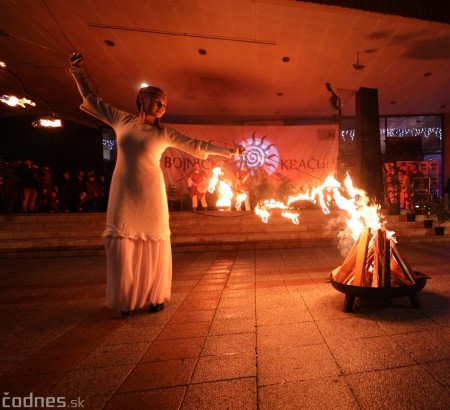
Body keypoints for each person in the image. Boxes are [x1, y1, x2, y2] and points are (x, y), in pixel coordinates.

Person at [69, 52, 244, 316]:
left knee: (153, 244)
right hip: (124, 190)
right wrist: (77, 71)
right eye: (157, 100)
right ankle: (125, 299)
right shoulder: (122, 120)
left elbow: (198, 146)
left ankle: (154, 295)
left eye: (164, 103)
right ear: (142, 100)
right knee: (121, 243)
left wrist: (230, 152)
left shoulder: (164, 133)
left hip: (151, 193)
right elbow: (91, 100)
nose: (162, 105)